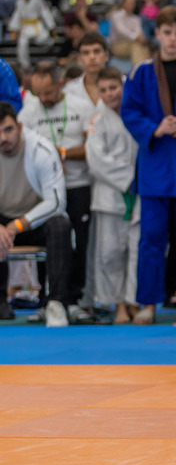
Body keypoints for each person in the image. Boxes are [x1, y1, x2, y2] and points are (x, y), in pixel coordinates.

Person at [121, 5, 176, 325]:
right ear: (157, 34)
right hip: (156, 165)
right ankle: (147, 303)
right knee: (151, 238)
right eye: (167, 33)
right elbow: (129, 111)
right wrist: (156, 128)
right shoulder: (140, 72)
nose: (173, 39)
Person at [19, 61, 96, 319]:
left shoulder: (81, 107)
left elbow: (92, 147)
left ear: (60, 84)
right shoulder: (29, 112)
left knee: (78, 243)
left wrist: (61, 154)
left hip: (77, 184)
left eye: (48, 93)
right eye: (38, 93)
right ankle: (47, 301)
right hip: (43, 188)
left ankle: (73, 299)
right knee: (49, 242)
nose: (43, 98)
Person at [0, 102, 73, 326]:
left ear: (20, 127)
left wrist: (16, 226)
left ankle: (56, 303)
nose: (3, 138)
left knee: (60, 224)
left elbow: (56, 201)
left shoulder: (42, 150)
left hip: (34, 221)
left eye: (8, 129)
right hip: (2, 220)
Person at [85, 66, 139, 325]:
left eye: (114, 88)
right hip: (109, 195)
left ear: (123, 86)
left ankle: (134, 301)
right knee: (110, 253)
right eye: (104, 90)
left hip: (139, 192)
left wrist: (139, 178)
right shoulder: (97, 120)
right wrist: (129, 177)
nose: (109, 94)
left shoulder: (136, 114)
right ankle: (118, 304)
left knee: (136, 250)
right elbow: (96, 160)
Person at [8, 0, 56, 68]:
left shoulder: (38, 0)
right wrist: (14, 29)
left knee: (43, 39)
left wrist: (51, 27)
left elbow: (45, 13)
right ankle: (25, 66)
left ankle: (50, 44)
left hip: (37, 25)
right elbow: (17, 15)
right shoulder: (20, 1)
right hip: (25, 27)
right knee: (22, 44)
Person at [108, 0, 150, 66]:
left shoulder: (136, 18)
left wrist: (140, 37)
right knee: (136, 45)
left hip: (133, 43)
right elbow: (121, 30)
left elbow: (139, 31)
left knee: (142, 46)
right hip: (117, 45)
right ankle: (139, 68)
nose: (130, 5)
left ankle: (142, 66)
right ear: (123, 3)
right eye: (128, 3)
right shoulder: (116, 16)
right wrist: (136, 37)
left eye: (132, 3)